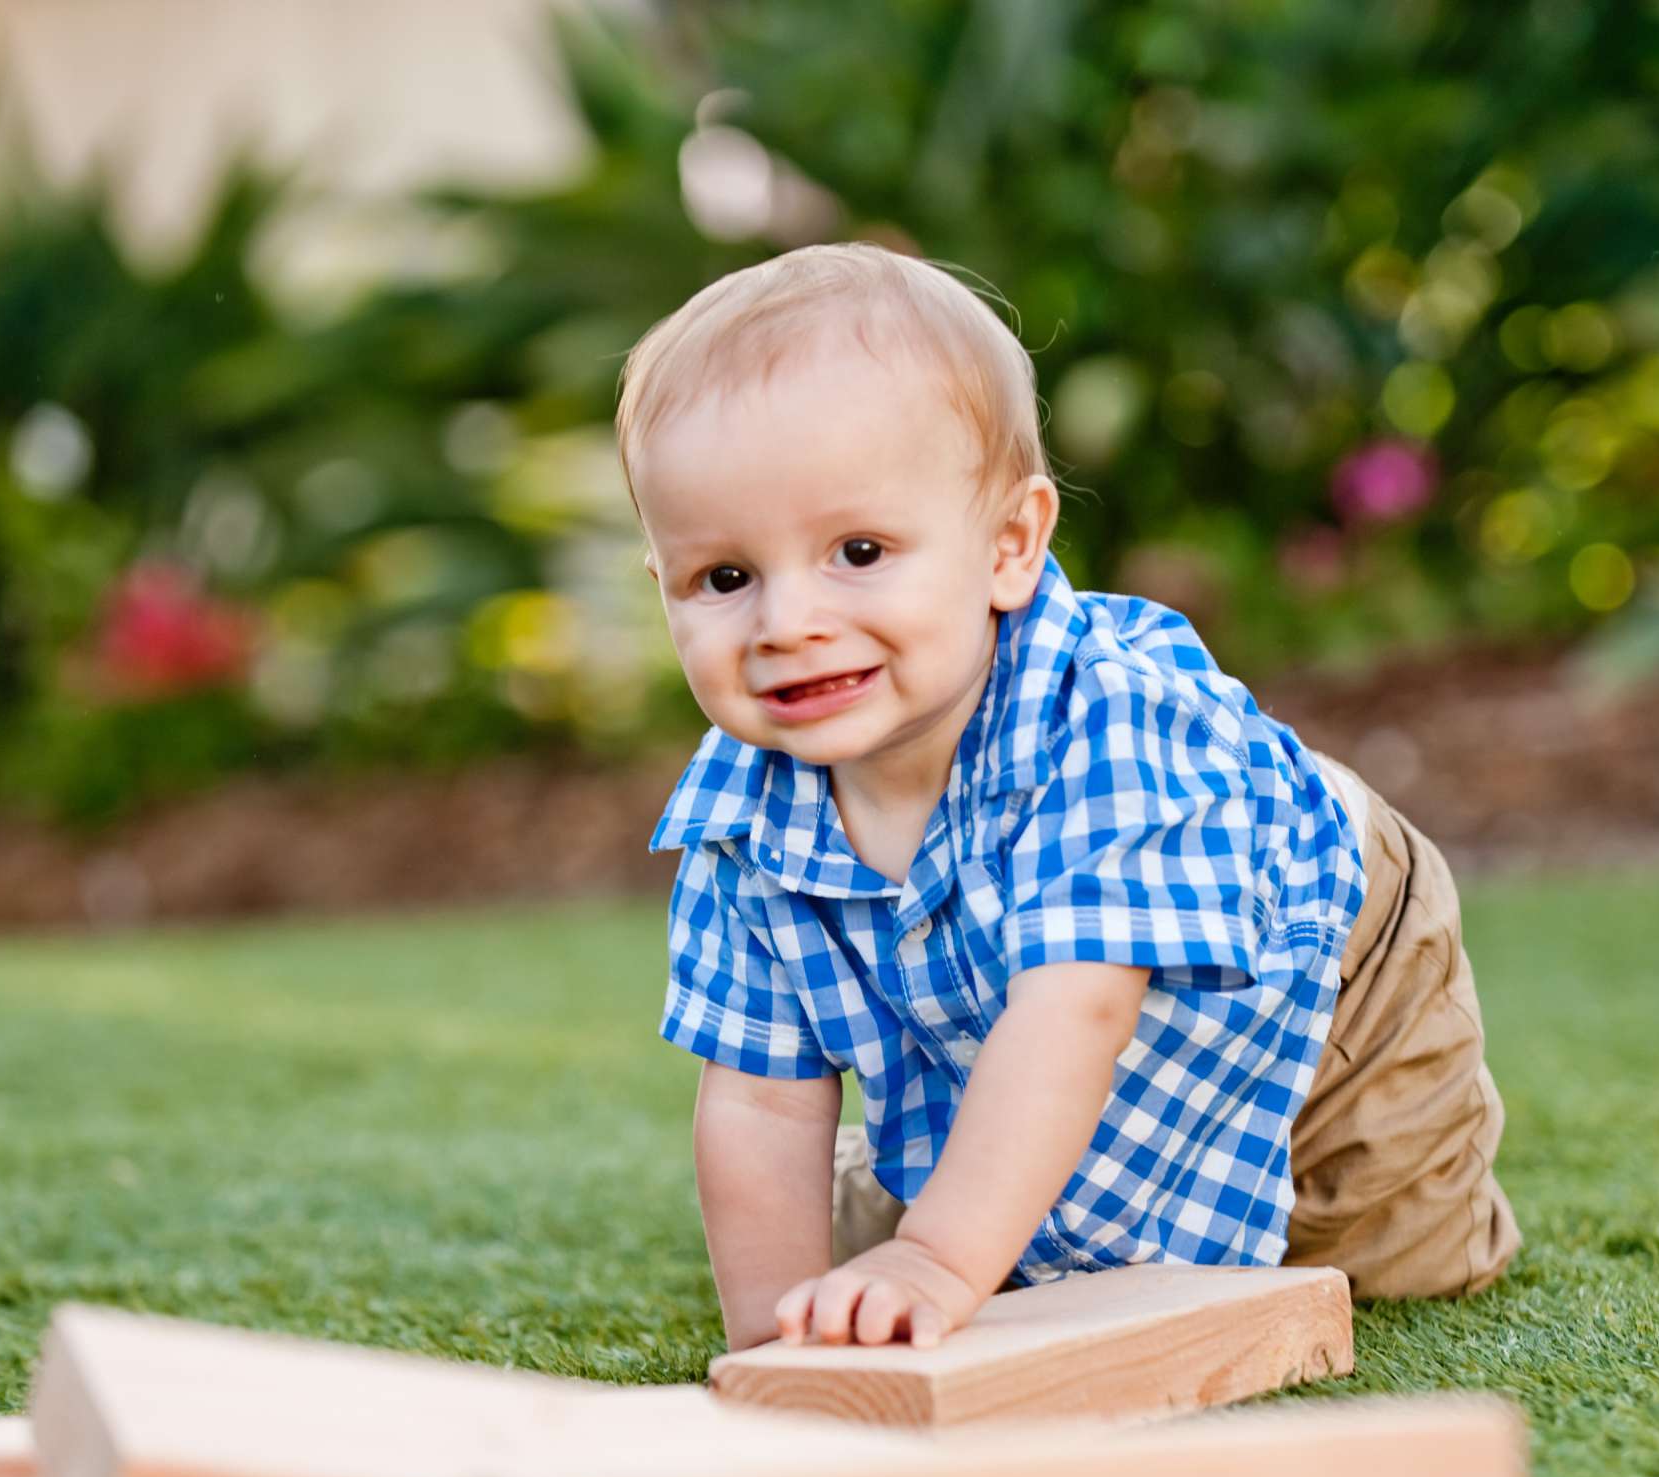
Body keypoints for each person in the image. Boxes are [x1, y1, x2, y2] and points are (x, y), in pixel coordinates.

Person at [618, 242, 1518, 1353]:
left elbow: (1074, 1012)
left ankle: (946, 1206)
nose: (785, 621)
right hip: (1020, 1009)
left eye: (858, 551)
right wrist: (768, 1351)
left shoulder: (1110, 725)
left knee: (1386, 1258)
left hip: (1327, 957)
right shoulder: (739, 819)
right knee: (1000, 1236)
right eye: (726, 578)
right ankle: (927, 1188)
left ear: (1009, 547)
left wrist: (937, 1261)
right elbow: (758, 1096)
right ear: (663, 587)